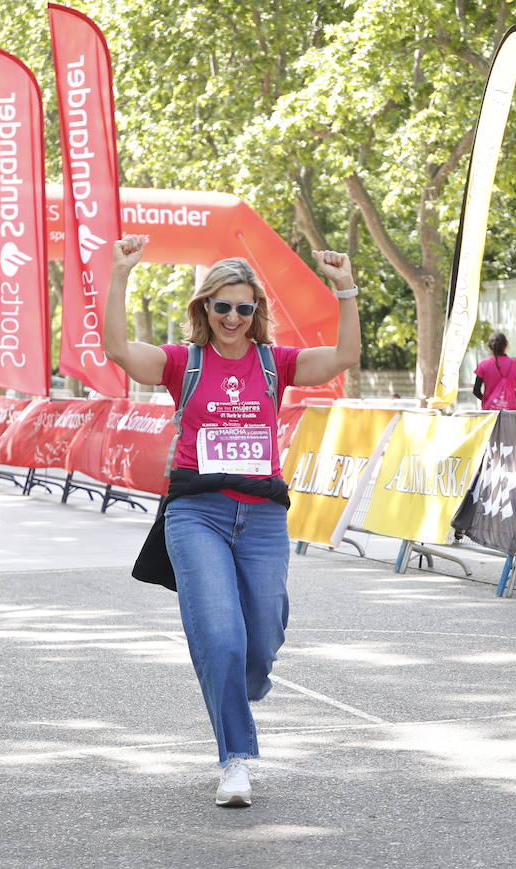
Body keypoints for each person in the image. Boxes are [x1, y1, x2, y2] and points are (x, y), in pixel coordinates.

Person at [106, 234, 359, 808]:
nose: (233, 317)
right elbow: (119, 349)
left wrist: (345, 288)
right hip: (198, 514)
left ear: (256, 312)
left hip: (264, 517)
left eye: (244, 307)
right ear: (204, 308)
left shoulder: (276, 362)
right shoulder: (182, 361)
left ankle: (239, 689)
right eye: (222, 306)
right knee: (220, 635)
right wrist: (120, 273)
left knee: (262, 637)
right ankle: (234, 761)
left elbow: (343, 357)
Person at [471, 332, 516, 410]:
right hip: (510, 411)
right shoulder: (515, 364)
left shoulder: (484, 364)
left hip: (489, 412)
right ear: (506, 345)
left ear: (489, 346)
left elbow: (476, 391)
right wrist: (507, 400)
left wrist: (488, 400)